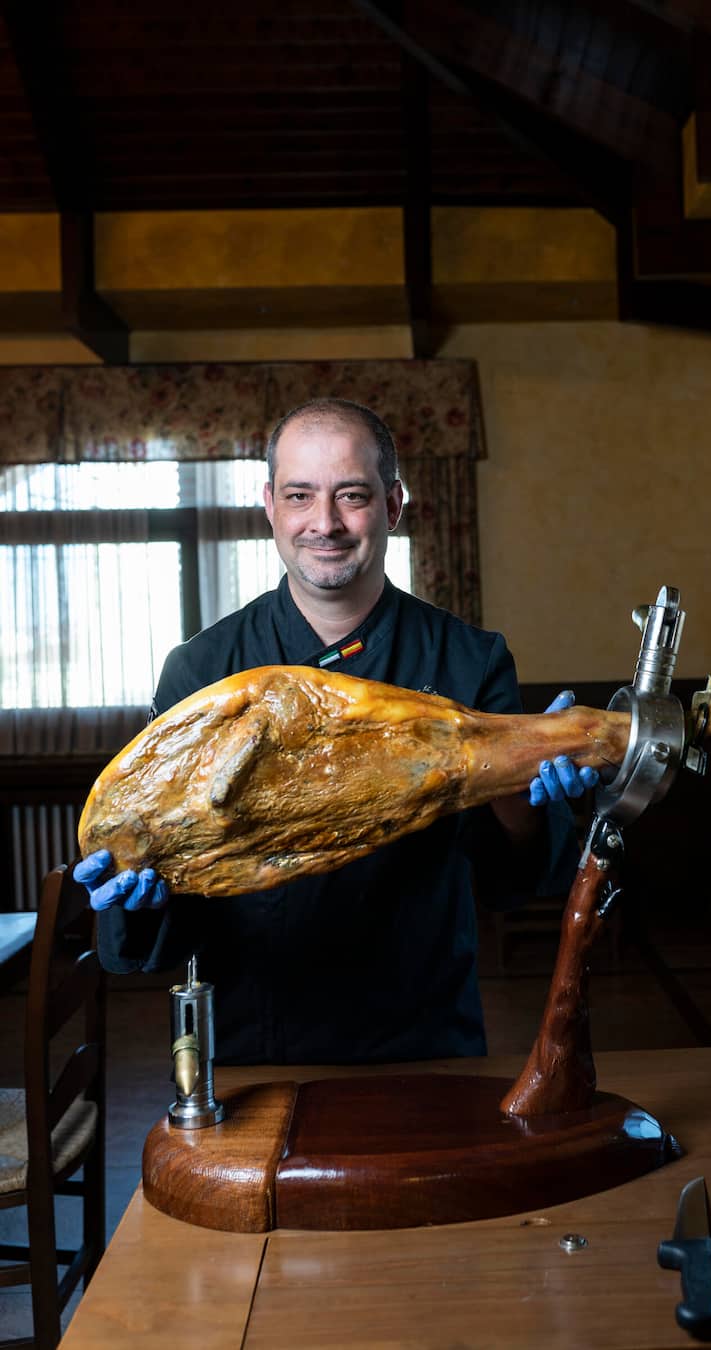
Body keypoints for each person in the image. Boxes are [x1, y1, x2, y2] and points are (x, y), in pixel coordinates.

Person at [75, 399, 598, 1065]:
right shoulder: (204, 671)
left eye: (352, 496)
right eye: (300, 496)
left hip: (424, 1033)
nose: (324, 523)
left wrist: (524, 793)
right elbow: (169, 898)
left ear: (394, 505)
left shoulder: (468, 660)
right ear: (271, 506)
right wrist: (138, 890)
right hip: (253, 1043)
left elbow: (509, 880)